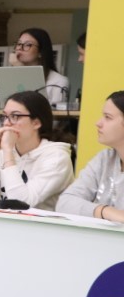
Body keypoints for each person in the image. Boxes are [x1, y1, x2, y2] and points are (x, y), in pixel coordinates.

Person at [0, 90, 74, 210]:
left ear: (36, 123)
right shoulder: (4, 153)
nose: (6, 123)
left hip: (40, 222)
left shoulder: (57, 158)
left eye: (15, 116)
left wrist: (7, 151)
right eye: (5, 116)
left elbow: (20, 204)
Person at [56, 91, 124, 222]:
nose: (98, 123)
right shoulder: (104, 159)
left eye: (108, 117)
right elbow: (64, 203)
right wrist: (105, 211)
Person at [12, 28, 69, 105]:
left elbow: (31, 106)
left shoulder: (59, 81)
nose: (19, 48)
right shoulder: (13, 76)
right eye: (19, 44)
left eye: (28, 45)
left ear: (40, 52)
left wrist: (20, 68)